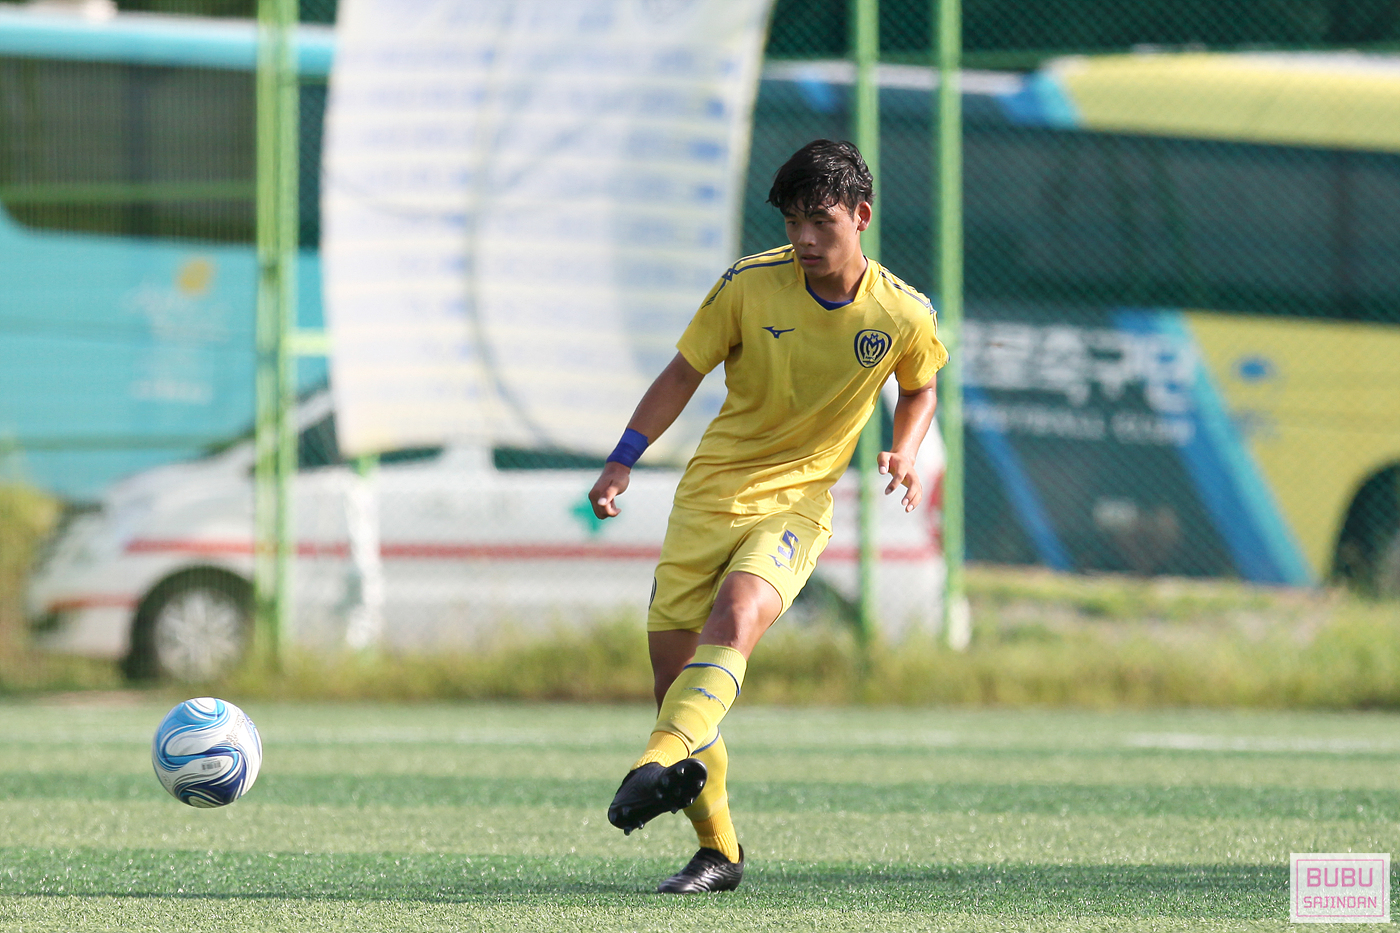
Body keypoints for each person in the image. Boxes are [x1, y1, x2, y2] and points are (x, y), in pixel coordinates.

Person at [588, 139, 948, 894]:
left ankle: (651, 765)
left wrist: (906, 447)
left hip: (797, 503)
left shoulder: (902, 312)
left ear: (861, 215)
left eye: (821, 221)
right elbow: (683, 371)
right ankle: (719, 852)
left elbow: (920, 386)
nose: (805, 239)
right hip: (709, 496)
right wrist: (623, 457)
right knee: (678, 691)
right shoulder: (748, 285)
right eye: (792, 222)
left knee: (740, 613)